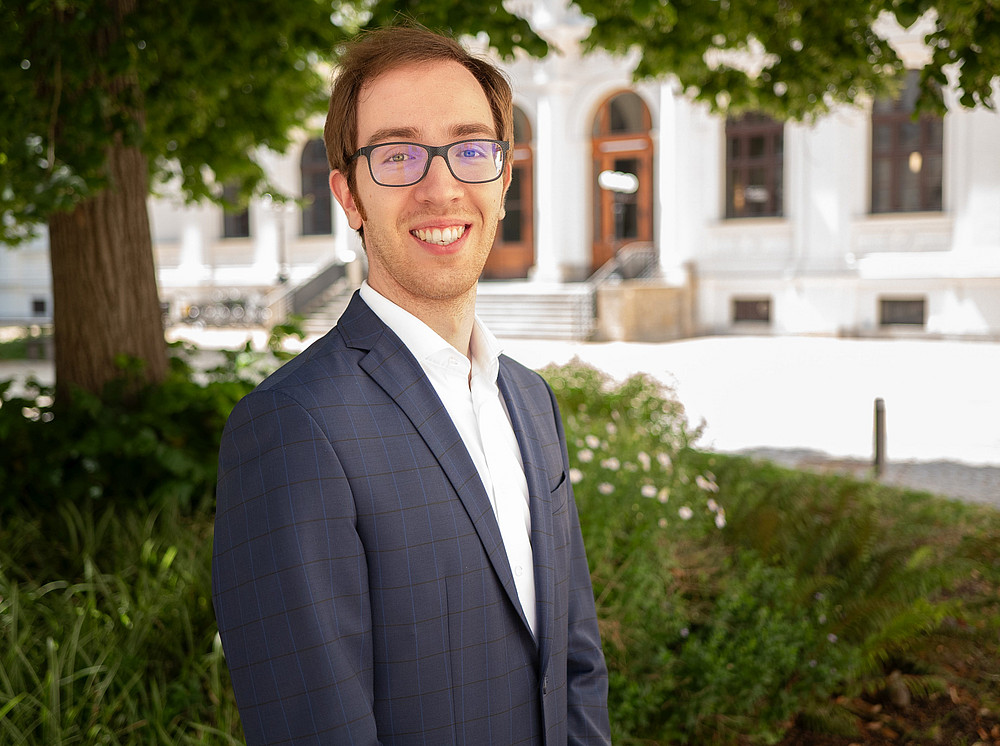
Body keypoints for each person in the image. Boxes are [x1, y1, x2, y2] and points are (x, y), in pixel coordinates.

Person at [212, 25, 611, 745]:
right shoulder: (292, 426)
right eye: (397, 155)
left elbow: (576, 665)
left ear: (504, 174)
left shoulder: (529, 400)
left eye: (471, 149)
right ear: (350, 196)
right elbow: (315, 727)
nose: (442, 186)